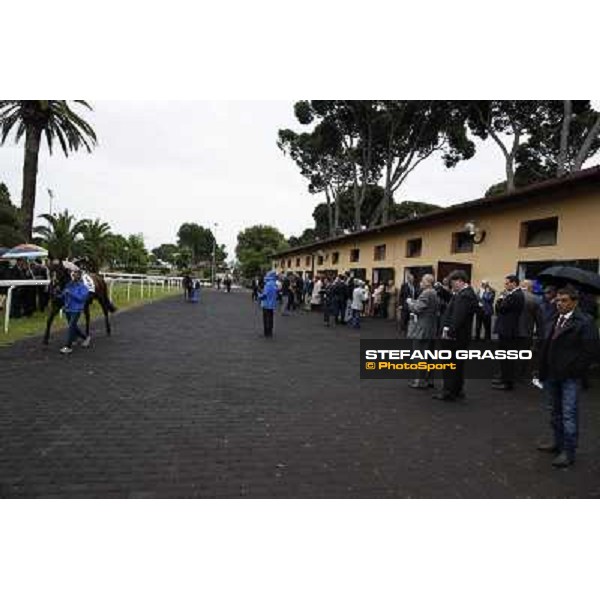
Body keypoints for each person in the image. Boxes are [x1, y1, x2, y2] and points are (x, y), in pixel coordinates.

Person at [537, 286, 600, 467]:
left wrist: (574, 370)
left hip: (569, 376)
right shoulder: (554, 318)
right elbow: (547, 344)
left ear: (574, 302)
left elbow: (591, 352)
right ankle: (558, 443)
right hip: (550, 374)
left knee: (568, 414)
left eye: (564, 300)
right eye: (557, 300)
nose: (559, 304)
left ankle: (568, 451)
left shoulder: (585, 322)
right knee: (554, 411)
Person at [432, 270, 479, 402]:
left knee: (449, 365)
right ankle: (457, 390)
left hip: (454, 337)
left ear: (460, 281)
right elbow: (454, 303)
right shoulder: (465, 293)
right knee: (457, 365)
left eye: (453, 283)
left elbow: (458, 317)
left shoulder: (464, 296)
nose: (452, 286)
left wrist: (449, 333)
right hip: (460, 337)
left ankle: (448, 391)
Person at [406, 274, 440, 389]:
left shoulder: (426, 293)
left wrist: (410, 302)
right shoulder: (434, 293)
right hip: (431, 329)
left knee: (419, 355)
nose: (420, 282)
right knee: (429, 356)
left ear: (427, 282)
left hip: (422, 329)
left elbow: (417, 309)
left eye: (422, 280)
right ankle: (429, 380)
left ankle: (419, 381)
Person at [492, 275, 525, 391]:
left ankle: (507, 383)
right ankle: (504, 378)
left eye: (507, 283)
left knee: (507, 358)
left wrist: (501, 298)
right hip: (507, 329)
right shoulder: (513, 295)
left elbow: (500, 308)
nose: (505, 286)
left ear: (514, 283)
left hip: (509, 331)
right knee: (504, 357)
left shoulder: (515, 295)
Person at [59, 269, 91, 354]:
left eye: (76, 275)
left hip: (76, 309)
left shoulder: (84, 287)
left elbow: (81, 299)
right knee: (73, 327)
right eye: (73, 275)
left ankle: (68, 346)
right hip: (68, 309)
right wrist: (59, 294)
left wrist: (70, 293)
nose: (74, 276)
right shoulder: (69, 285)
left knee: (71, 326)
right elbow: (64, 294)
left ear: (80, 276)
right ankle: (85, 338)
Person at [258, 271, 278, 338]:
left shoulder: (268, 284)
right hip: (272, 304)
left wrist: (259, 295)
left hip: (266, 304)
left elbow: (265, 294)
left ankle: (266, 333)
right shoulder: (274, 284)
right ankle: (270, 332)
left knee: (266, 319)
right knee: (271, 318)